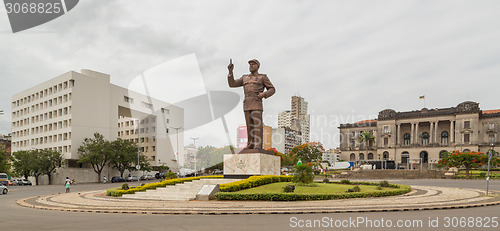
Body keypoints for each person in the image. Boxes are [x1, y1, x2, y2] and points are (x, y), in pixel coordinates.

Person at [227, 59, 275, 150]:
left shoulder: (262, 77)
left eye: (253, 64)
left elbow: (272, 89)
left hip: (257, 102)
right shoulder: (245, 78)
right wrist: (230, 72)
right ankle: (250, 144)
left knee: (257, 125)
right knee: (249, 125)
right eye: (250, 64)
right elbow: (232, 84)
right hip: (247, 103)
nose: (251, 66)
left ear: (258, 66)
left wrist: (263, 94)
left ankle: (258, 144)